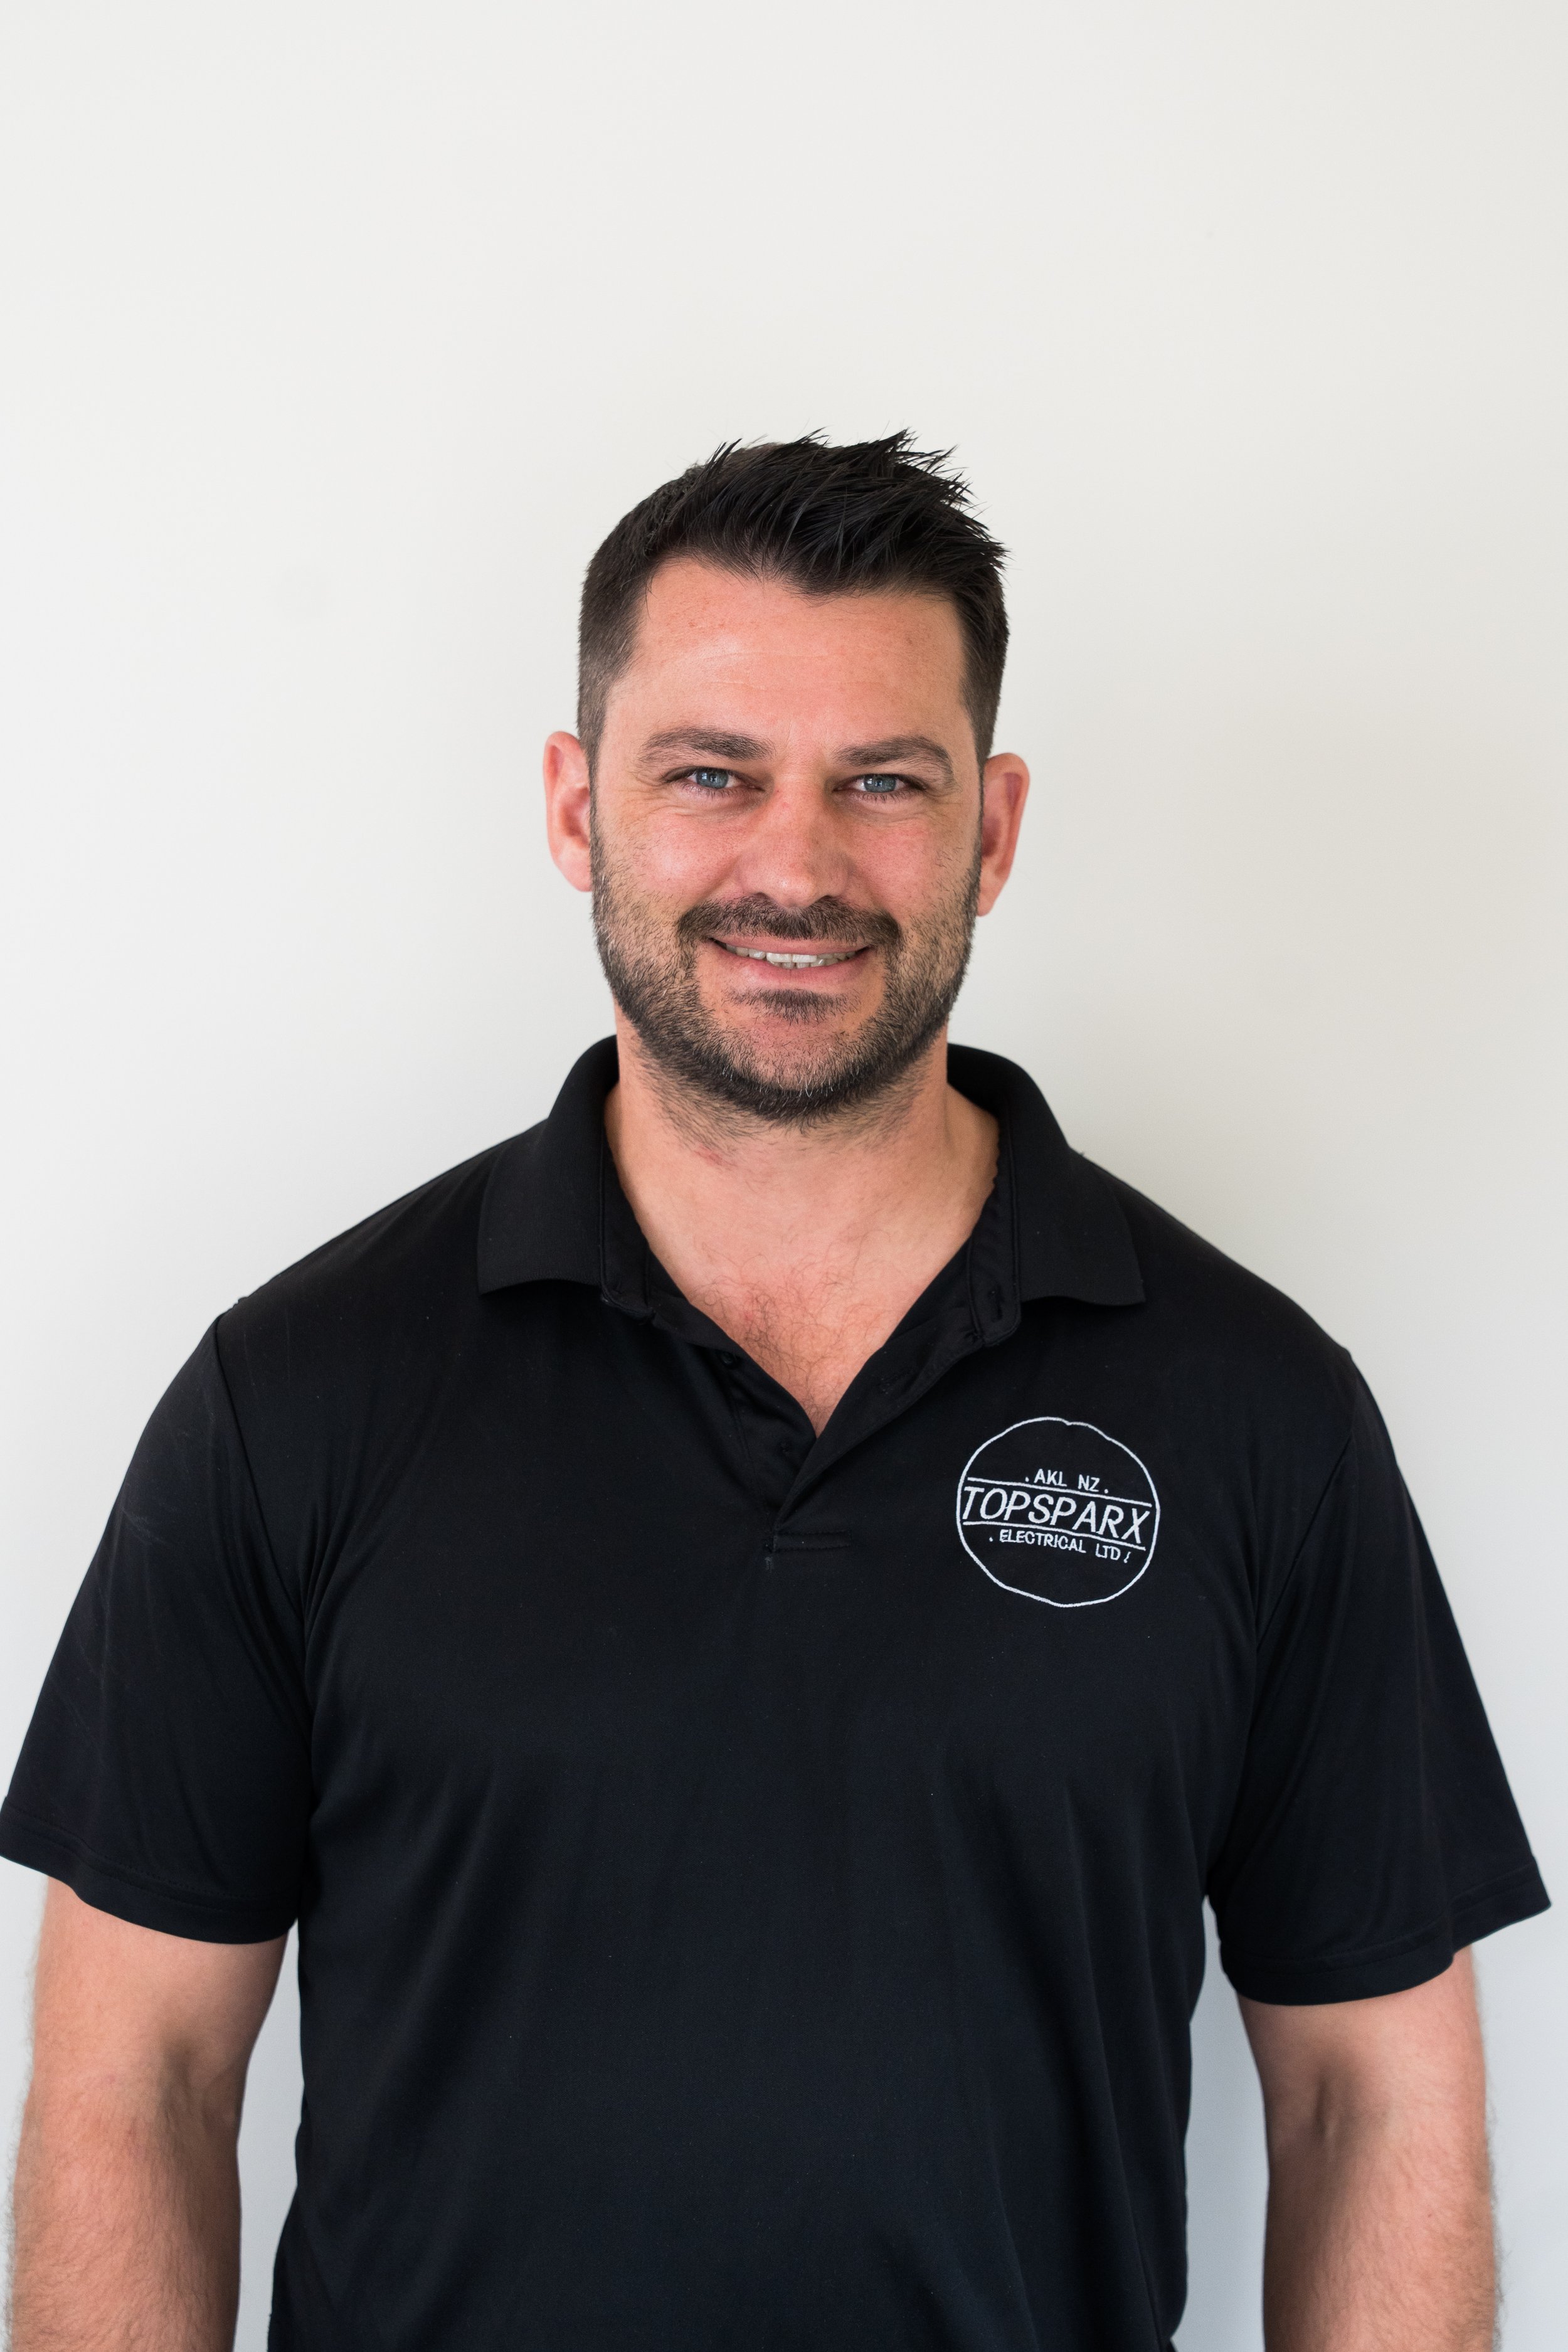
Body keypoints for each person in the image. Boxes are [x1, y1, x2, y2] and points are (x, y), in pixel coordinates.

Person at [2, 433, 1547, 2352]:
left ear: (990, 828)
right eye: (710, 774)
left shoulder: (1255, 1411)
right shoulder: (299, 1396)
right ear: (577, 808)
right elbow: (139, 2077)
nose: (794, 868)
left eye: (880, 782)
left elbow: (1367, 2095)